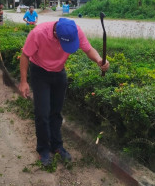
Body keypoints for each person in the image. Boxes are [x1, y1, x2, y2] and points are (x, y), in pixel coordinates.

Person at [18, 18, 110, 166]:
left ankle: (57, 146)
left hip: (59, 72)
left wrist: (99, 60)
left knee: (56, 112)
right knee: (42, 113)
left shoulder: (75, 31)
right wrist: (23, 81)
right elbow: (25, 55)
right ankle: (43, 150)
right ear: (55, 33)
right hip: (40, 73)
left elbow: (88, 49)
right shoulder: (38, 33)